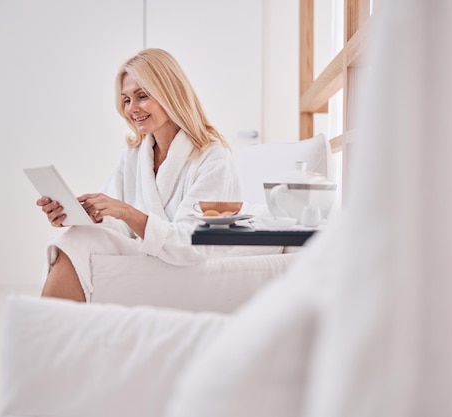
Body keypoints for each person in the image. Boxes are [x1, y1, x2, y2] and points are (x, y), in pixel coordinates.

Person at [37, 48, 280, 302]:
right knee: (76, 237)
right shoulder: (132, 157)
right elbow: (119, 227)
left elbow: (193, 242)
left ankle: (48, 331)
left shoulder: (212, 158)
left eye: (142, 96)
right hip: (149, 256)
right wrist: (88, 216)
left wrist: (126, 211)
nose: (132, 108)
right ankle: (52, 330)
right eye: (127, 99)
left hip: (189, 266)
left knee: (79, 244)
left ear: (170, 94)